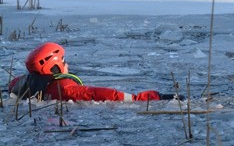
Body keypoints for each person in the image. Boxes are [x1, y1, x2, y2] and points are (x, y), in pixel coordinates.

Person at [7, 41, 167, 102]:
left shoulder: (21, 84)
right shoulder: (64, 88)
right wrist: (140, 98)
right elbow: (96, 94)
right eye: (63, 60)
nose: (66, 63)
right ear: (54, 66)